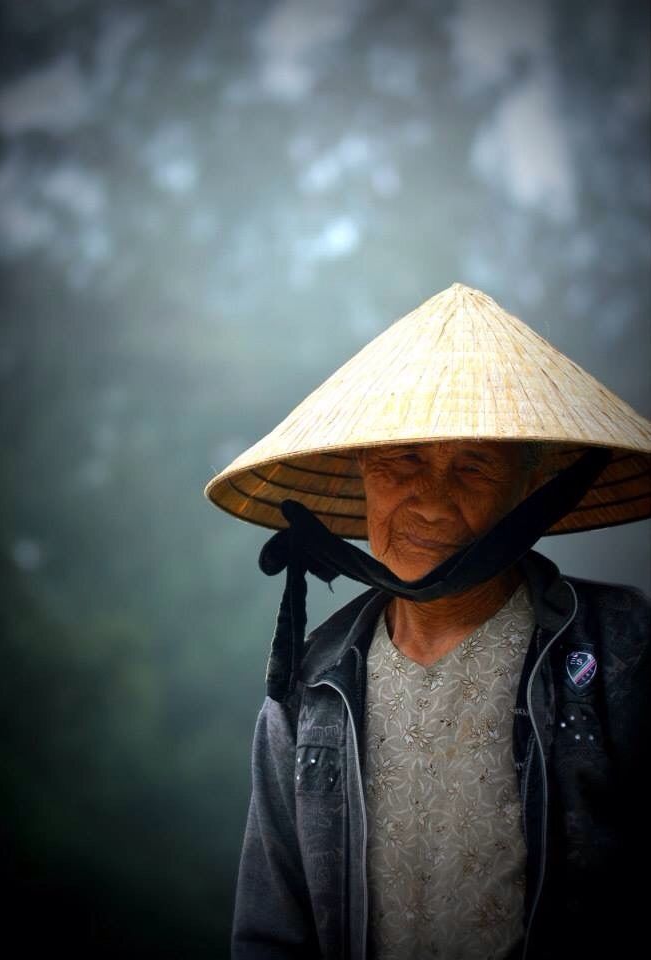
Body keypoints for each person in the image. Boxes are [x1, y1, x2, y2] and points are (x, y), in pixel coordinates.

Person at [204, 282, 651, 960]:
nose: (432, 505)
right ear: (363, 473)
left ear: (531, 488)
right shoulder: (310, 691)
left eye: (473, 467)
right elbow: (271, 933)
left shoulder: (618, 652)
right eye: (403, 462)